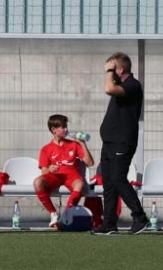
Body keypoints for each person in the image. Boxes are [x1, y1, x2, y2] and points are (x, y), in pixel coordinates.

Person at [94, 52, 151, 235]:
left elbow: (109, 89)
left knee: (118, 178)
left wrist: (109, 71)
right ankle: (109, 223)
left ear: (119, 69)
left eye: (112, 68)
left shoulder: (132, 85)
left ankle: (140, 217)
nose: (108, 72)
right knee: (109, 183)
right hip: (109, 142)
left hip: (122, 142)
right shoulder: (121, 85)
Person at [33, 114, 95, 229]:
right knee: (37, 182)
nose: (66, 129)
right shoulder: (46, 149)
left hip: (72, 176)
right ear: (54, 130)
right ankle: (53, 214)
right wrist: (49, 169)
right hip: (55, 177)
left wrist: (83, 144)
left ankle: (66, 215)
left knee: (79, 184)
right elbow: (44, 172)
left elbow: (90, 163)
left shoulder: (74, 144)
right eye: (63, 127)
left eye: (66, 126)